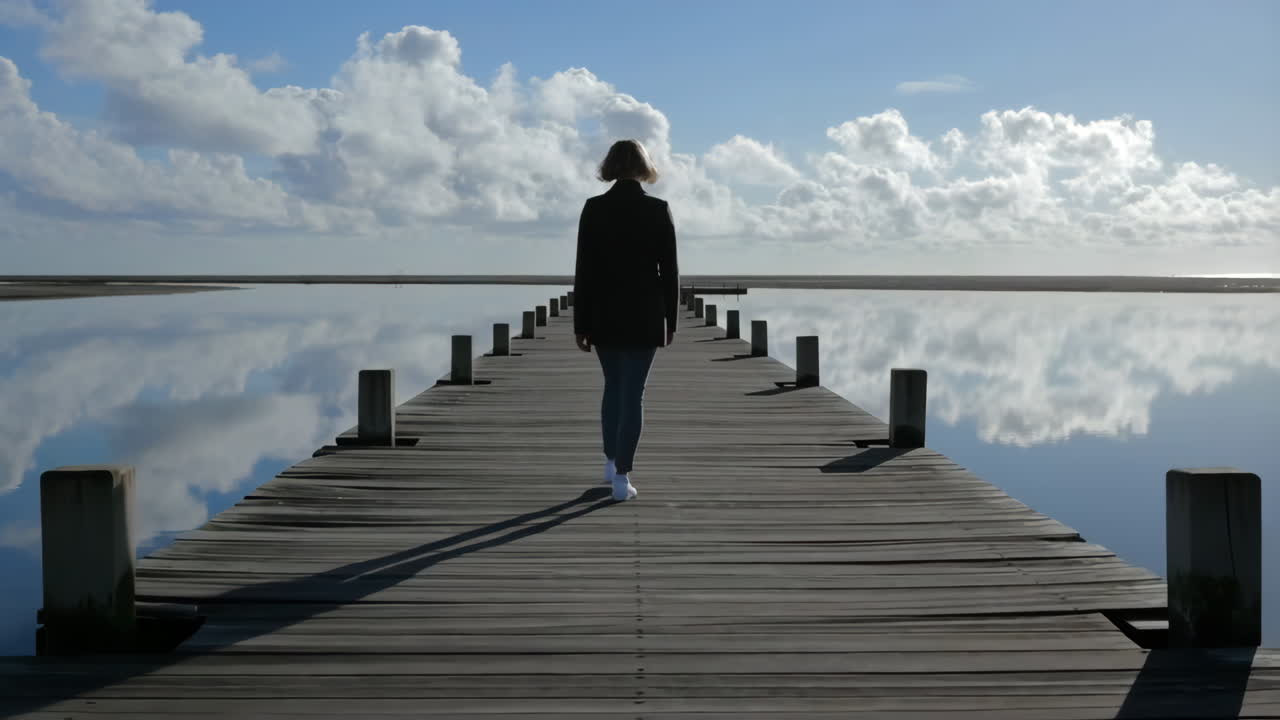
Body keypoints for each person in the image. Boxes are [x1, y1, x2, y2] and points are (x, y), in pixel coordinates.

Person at [572, 139, 679, 502]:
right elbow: (670, 272)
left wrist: (580, 323)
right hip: (645, 315)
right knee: (633, 394)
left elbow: (583, 271)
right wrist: (672, 320)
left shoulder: (594, 208)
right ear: (643, 167)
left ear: (611, 166)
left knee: (613, 389)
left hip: (603, 314)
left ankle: (609, 461)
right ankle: (621, 478)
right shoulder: (658, 208)